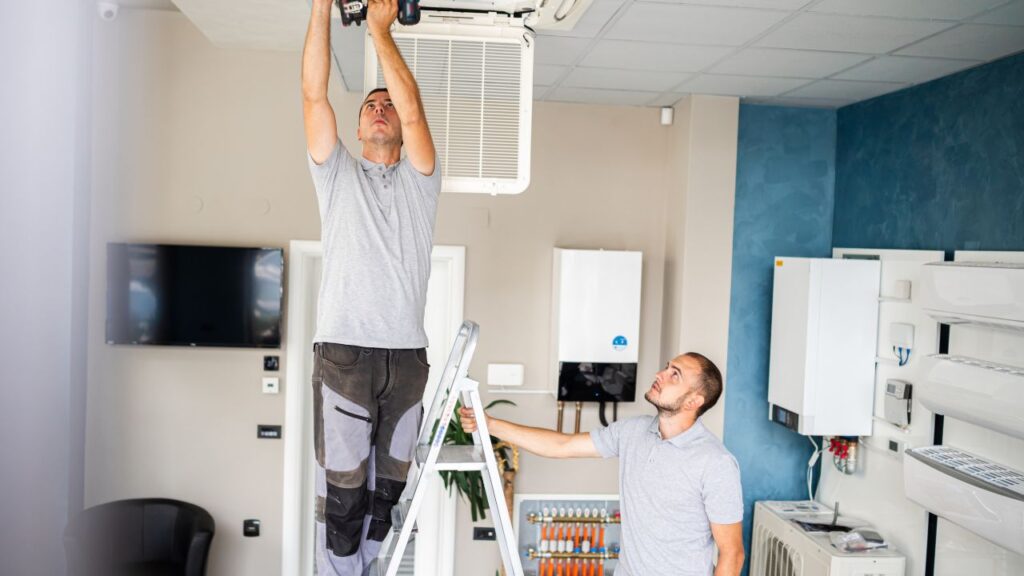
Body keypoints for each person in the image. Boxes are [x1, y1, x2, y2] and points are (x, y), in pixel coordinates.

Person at [301, 0, 440, 573]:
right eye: (369, 106)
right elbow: (314, 97)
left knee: (389, 494)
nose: (380, 109)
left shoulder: (421, 180)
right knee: (344, 492)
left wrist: (381, 32)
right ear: (357, 130)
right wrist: (320, 8)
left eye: (387, 105)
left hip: (406, 360)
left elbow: (415, 111)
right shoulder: (335, 175)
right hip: (346, 355)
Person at [461, 353, 745, 576]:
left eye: (675, 375)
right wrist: (490, 424)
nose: (660, 374)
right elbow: (562, 445)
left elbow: (732, 554)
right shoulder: (633, 432)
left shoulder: (715, 463)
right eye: (666, 367)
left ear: (694, 401)